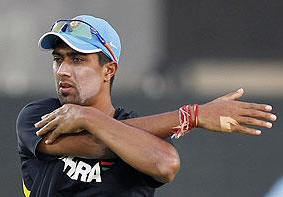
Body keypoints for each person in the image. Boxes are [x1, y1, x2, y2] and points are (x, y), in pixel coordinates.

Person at [16, 15, 277, 197]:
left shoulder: (140, 134)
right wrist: (193, 116)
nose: (63, 70)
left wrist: (85, 116)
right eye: (57, 59)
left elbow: (166, 165)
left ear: (109, 70)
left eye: (77, 59)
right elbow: (95, 144)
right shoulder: (37, 116)